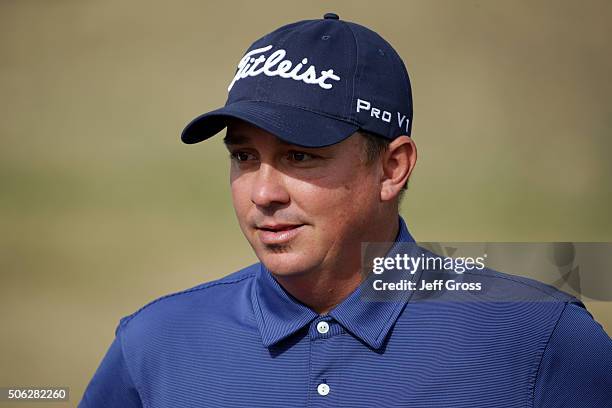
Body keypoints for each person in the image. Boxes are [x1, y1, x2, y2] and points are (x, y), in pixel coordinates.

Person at [79, 13, 612, 407]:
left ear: (392, 168)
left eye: (300, 156)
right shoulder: (153, 346)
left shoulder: (539, 338)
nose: (263, 193)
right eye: (244, 156)